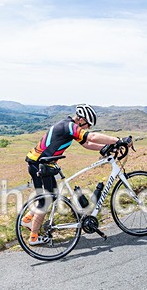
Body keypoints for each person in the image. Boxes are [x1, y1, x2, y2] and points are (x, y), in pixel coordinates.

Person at [22, 104, 125, 245]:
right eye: (87, 124)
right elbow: (92, 137)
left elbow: (87, 144)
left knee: (51, 196)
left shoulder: (69, 127)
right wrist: (117, 140)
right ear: (81, 119)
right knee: (45, 200)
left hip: (42, 164)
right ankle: (34, 237)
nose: (87, 128)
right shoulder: (69, 126)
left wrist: (107, 147)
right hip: (40, 164)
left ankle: (27, 220)